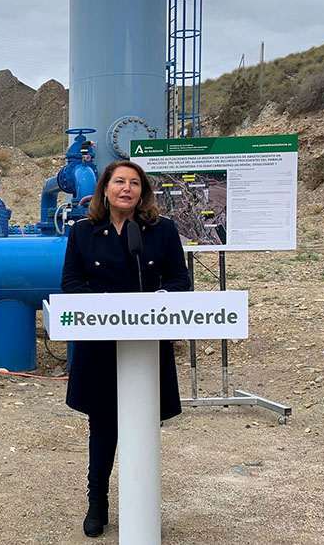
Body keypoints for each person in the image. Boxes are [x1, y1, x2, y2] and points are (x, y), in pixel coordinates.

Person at [60, 160, 190, 538]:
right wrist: (105, 307)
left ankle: (142, 501)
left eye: (135, 183)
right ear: (105, 188)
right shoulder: (83, 232)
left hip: (146, 344)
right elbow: (71, 281)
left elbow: (179, 279)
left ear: (143, 192)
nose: (127, 189)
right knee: (102, 423)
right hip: (101, 342)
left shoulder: (161, 230)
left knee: (143, 420)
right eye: (120, 181)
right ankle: (96, 501)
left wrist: (160, 299)